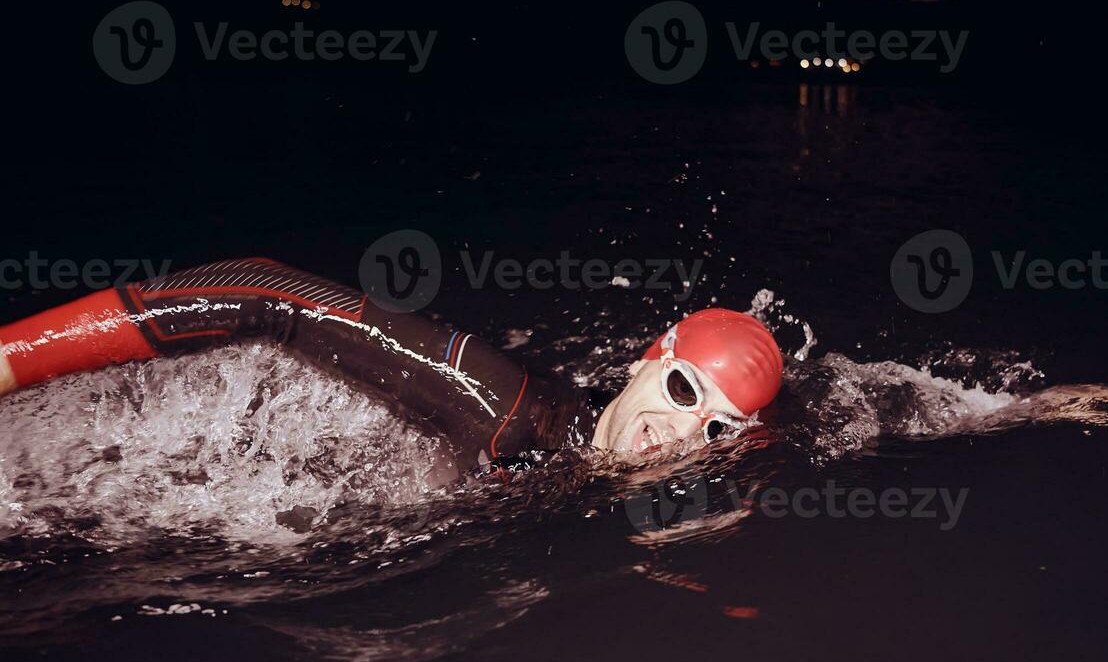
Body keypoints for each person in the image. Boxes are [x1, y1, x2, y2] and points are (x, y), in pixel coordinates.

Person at [0, 258, 784, 471]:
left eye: (714, 428)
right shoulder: (495, 405)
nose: (679, 431)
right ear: (652, 357)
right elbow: (265, 292)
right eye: (684, 388)